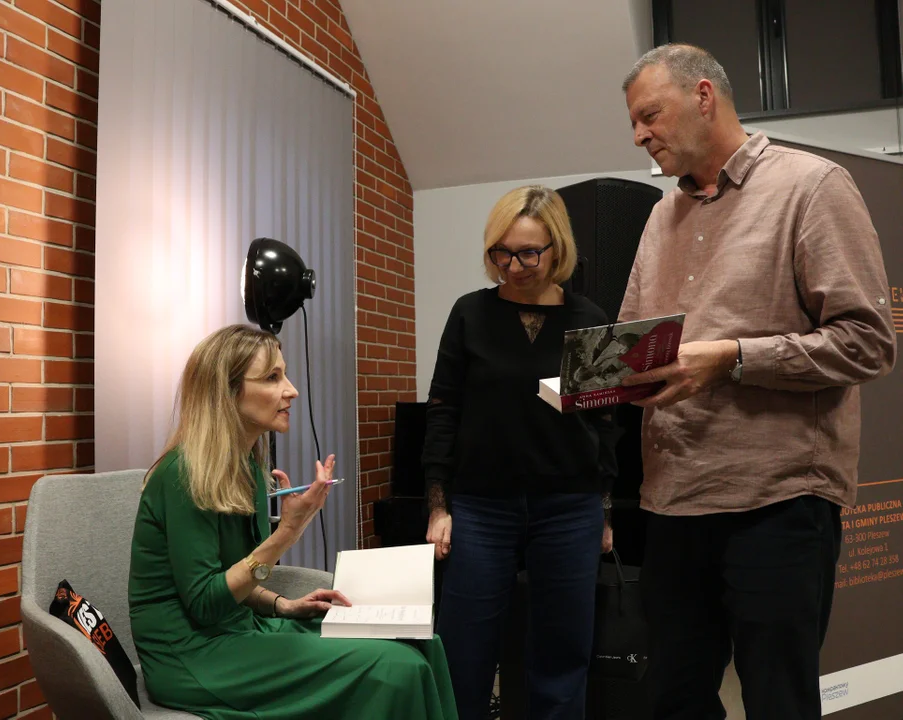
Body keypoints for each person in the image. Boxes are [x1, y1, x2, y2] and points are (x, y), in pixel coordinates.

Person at [618, 44, 897, 720]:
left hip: (777, 501)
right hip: (672, 500)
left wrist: (732, 358)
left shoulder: (812, 186)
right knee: (673, 700)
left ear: (703, 97)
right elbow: (634, 339)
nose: (639, 136)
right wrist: (602, 380)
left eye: (649, 115)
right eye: (633, 123)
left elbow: (867, 343)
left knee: (778, 701)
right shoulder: (660, 216)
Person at [128, 324, 458, 720]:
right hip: (191, 655)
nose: (292, 390)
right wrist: (287, 532)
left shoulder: (247, 469)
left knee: (423, 643)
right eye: (272, 377)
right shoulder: (181, 475)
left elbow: (231, 576)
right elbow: (204, 603)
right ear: (227, 392)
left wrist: (282, 605)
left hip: (239, 628)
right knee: (396, 670)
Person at [422, 185, 619, 719]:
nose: (513, 267)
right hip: (481, 507)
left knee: (563, 654)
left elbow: (605, 423)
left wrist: (604, 511)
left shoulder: (589, 317)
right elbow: (442, 409)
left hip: (569, 507)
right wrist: (438, 506)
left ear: (557, 249)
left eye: (529, 253)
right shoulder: (469, 313)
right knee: (464, 651)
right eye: (501, 253)